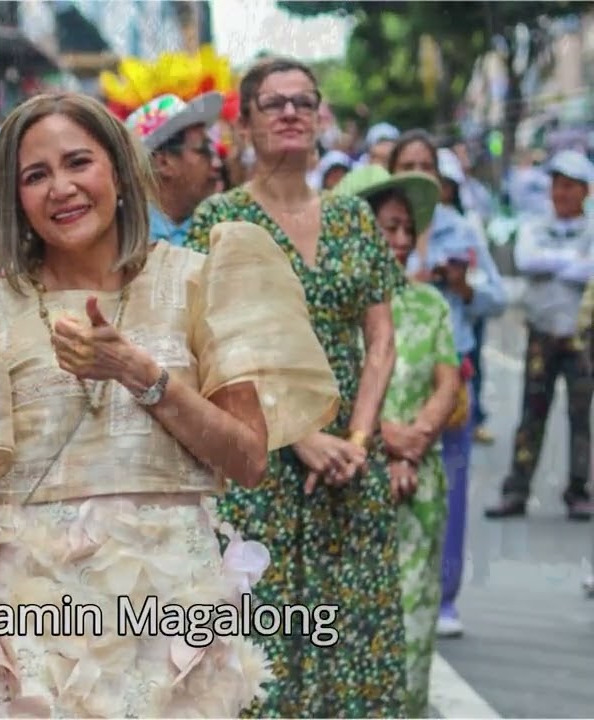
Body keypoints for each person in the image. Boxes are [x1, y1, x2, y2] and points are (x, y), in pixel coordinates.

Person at [0, 92, 339, 717]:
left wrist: (142, 376)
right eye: (35, 176)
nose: (61, 189)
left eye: (78, 163)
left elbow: (249, 458)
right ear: (15, 200)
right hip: (32, 626)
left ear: (119, 172)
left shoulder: (198, 281)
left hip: (168, 619)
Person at [185, 56, 406, 717]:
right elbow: (213, 350)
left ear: (320, 120)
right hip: (264, 470)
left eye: (303, 103)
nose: (290, 113)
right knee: (267, 653)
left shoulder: (353, 218)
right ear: (246, 123)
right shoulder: (218, 220)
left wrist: (357, 439)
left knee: (358, 646)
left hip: (351, 469)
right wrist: (302, 436)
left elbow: (381, 340)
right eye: (273, 103)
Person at [332, 165, 461, 716]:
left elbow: (447, 380)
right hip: (355, 478)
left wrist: (417, 438)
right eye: (390, 227)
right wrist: (385, 444)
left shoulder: (430, 304)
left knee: (415, 624)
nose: (402, 240)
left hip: (421, 483)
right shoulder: (337, 308)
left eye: (409, 229)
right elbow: (331, 390)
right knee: (355, 635)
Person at [390, 133, 507, 638]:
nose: (420, 174)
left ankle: (445, 599)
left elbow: (496, 297)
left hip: (448, 380)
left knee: (451, 490)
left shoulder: (461, 231)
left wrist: (462, 286)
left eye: (427, 167)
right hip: (388, 382)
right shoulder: (378, 231)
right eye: (408, 165)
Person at [487, 149, 594, 522]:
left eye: (569, 186)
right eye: (556, 185)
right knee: (531, 414)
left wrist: (559, 262)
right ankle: (516, 490)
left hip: (582, 338)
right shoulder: (533, 224)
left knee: (581, 417)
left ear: (585, 190)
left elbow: (589, 270)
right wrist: (572, 262)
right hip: (541, 335)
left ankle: (578, 491)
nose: (561, 193)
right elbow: (529, 260)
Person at [121, 92, 224, 245]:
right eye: (204, 151)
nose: (217, 164)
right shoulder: (124, 238)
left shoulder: (222, 226)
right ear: (164, 163)